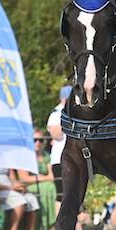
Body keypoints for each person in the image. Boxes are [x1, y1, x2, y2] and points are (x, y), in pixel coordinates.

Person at [17, 130, 57, 230]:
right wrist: (43, 177)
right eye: (34, 140)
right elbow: (24, 179)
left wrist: (40, 177)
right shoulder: (24, 156)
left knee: (53, 186)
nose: (37, 143)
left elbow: (52, 175)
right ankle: (46, 225)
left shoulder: (46, 155)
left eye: (40, 140)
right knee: (50, 187)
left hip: (42, 183)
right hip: (28, 186)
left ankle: (52, 223)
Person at [47, 86, 71, 215]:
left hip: (74, 158)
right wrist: (69, 121)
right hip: (59, 159)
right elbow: (56, 135)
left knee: (74, 192)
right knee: (61, 192)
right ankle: (59, 223)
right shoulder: (56, 114)